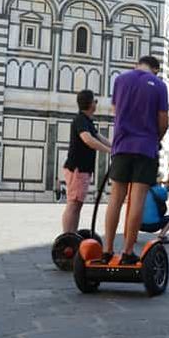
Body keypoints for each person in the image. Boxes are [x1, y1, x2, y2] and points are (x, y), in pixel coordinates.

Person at [103, 56, 169, 264]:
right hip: (145, 147)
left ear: (137, 65)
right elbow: (163, 121)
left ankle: (107, 249)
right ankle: (128, 251)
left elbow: (116, 112)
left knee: (115, 198)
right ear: (156, 70)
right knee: (136, 200)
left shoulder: (120, 80)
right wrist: (154, 138)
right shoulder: (159, 85)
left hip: (121, 145)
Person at [61, 90, 111, 233]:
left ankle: (72, 234)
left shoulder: (87, 121)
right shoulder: (80, 120)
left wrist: (115, 147)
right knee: (73, 204)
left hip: (83, 169)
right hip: (77, 168)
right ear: (90, 104)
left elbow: (98, 137)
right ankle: (67, 236)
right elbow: (88, 139)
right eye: (94, 101)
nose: (96, 103)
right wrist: (109, 151)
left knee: (77, 204)